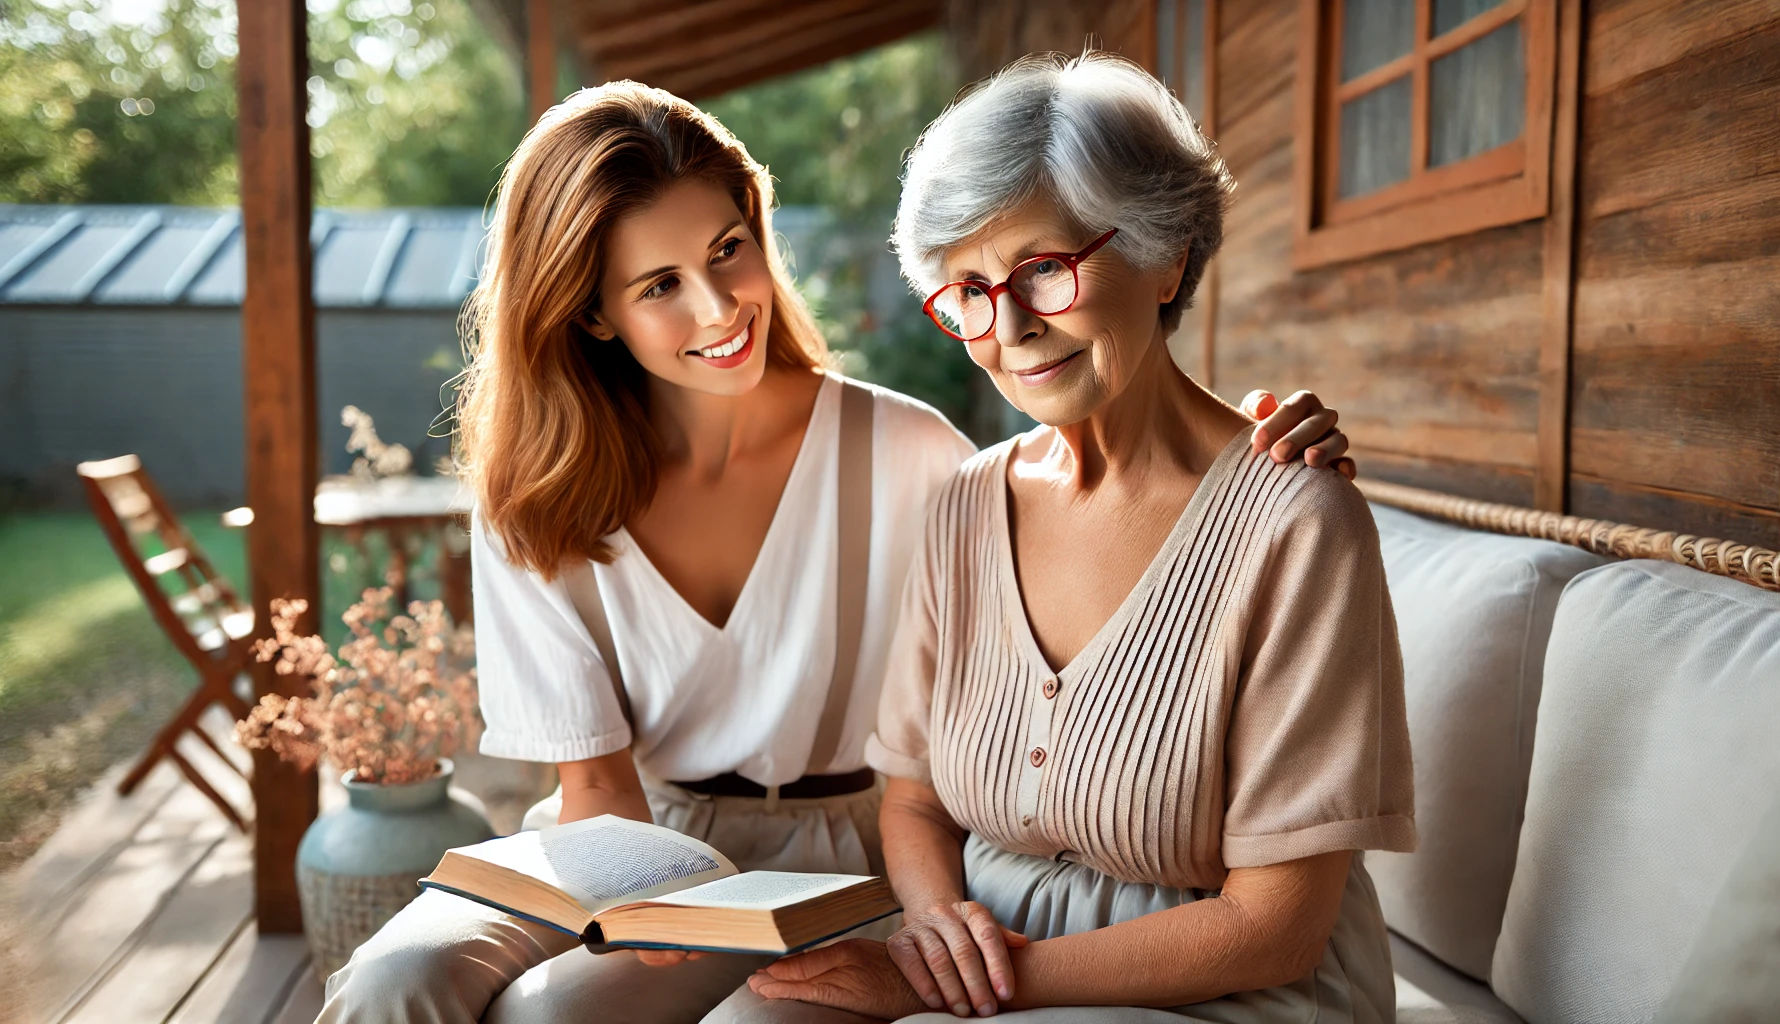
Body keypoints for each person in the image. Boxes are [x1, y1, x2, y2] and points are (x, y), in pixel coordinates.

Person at [317, 80, 1357, 1024]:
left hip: (848, 850)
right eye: (659, 285)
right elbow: (597, 796)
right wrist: (645, 922)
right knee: (393, 981)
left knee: (564, 1016)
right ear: (589, 312)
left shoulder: (912, 457)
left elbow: (1112, 493)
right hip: (637, 841)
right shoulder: (533, 501)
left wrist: (1248, 448)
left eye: (729, 250)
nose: (720, 309)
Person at [731, 52, 1414, 1024]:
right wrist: (934, 931)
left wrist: (962, 986)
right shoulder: (965, 504)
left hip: (1221, 986)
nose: (1007, 325)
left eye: (1043, 269)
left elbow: (1276, 928)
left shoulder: (1298, 518)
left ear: (1165, 252)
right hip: (987, 961)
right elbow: (914, 800)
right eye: (965, 287)